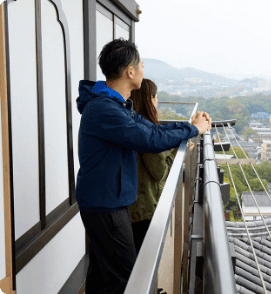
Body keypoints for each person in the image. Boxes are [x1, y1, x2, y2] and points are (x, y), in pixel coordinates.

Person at [76, 38, 211, 294]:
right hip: (106, 204)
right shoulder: (105, 109)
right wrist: (193, 129)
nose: (142, 71)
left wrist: (189, 127)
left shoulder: (116, 105)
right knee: (127, 279)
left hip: (106, 199)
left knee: (103, 272)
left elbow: (151, 128)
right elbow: (149, 139)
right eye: (141, 66)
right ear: (130, 71)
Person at [128, 78, 174, 253]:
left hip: (132, 205)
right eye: (155, 97)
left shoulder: (132, 123)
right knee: (145, 258)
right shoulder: (147, 131)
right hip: (145, 207)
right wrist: (175, 151)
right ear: (149, 99)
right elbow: (160, 172)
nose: (157, 102)